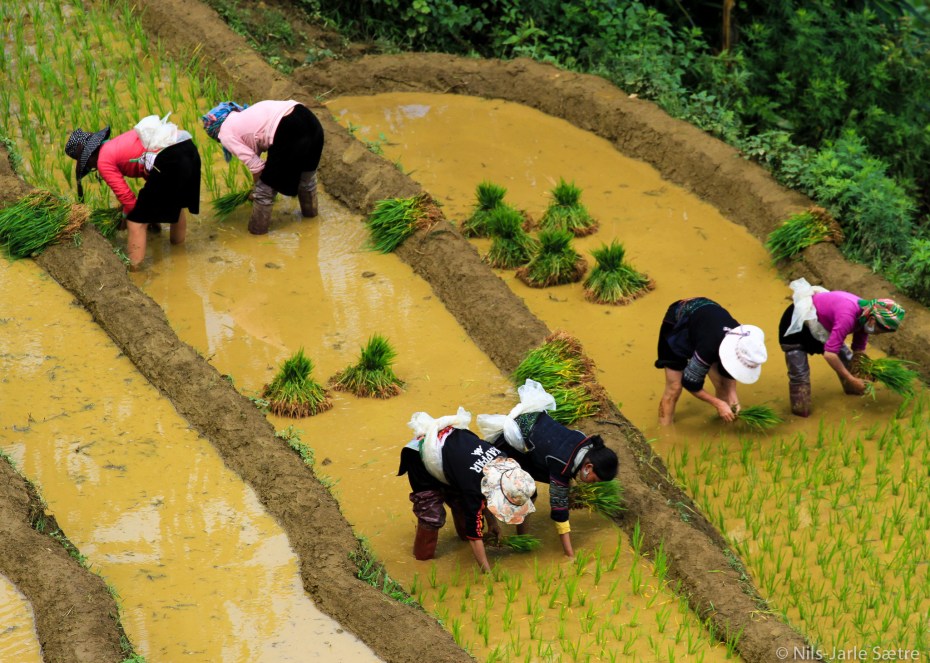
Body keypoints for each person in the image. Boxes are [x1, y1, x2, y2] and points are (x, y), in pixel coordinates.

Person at [477, 380, 619, 561]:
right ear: (588, 467)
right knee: (526, 493)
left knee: (544, 489)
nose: (592, 484)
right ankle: (517, 537)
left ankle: (521, 537)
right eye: (594, 479)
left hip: (533, 428)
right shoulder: (562, 463)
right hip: (511, 443)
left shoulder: (586, 443)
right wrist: (569, 554)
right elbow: (559, 512)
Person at [398, 408, 536, 573]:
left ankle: (458, 524)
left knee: (460, 505)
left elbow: (489, 492)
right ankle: (421, 561)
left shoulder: (504, 460)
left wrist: (492, 524)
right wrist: (487, 572)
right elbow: (475, 535)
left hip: (454, 454)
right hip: (420, 456)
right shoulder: (474, 488)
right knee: (432, 517)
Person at [65, 115, 201, 270]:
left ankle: (135, 271)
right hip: (187, 147)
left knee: (135, 221)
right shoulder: (116, 144)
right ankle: (179, 256)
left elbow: (128, 199)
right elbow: (153, 179)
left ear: (88, 158)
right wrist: (152, 216)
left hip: (170, 157)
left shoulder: (103, 161)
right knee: (176, 204)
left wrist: (125, 216)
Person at [778, 278, 905, 417]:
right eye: (880, 331)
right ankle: (800, 411)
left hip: (823, 329)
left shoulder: (865, 315)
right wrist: (852, 379)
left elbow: (858, 350)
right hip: (796, 327)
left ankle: (852, 389)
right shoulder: (848, 316)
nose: (878, 335)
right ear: (873, 320)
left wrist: (868, 369)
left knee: (848, 360)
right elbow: (830, 355)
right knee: (800, 376)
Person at [201, 100, 324, 234]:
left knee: (264, 192)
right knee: (306, 180)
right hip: (311, 122)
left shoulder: (225, 133)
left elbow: (257, 167)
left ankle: (256, 236)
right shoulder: (244, 114)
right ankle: (311, 223)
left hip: (288, 129)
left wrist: (255, 191)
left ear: (215, 131)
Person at [654, 297, 768, 425]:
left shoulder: (742, 340)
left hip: (706, 325)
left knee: (723, 386)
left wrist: (733, 398)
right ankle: (665, 431)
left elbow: (730, 372)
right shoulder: (708, 347)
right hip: (678, 321)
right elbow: (690, 383)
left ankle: (724, 427)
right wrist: (718, 403)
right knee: (674, 387)